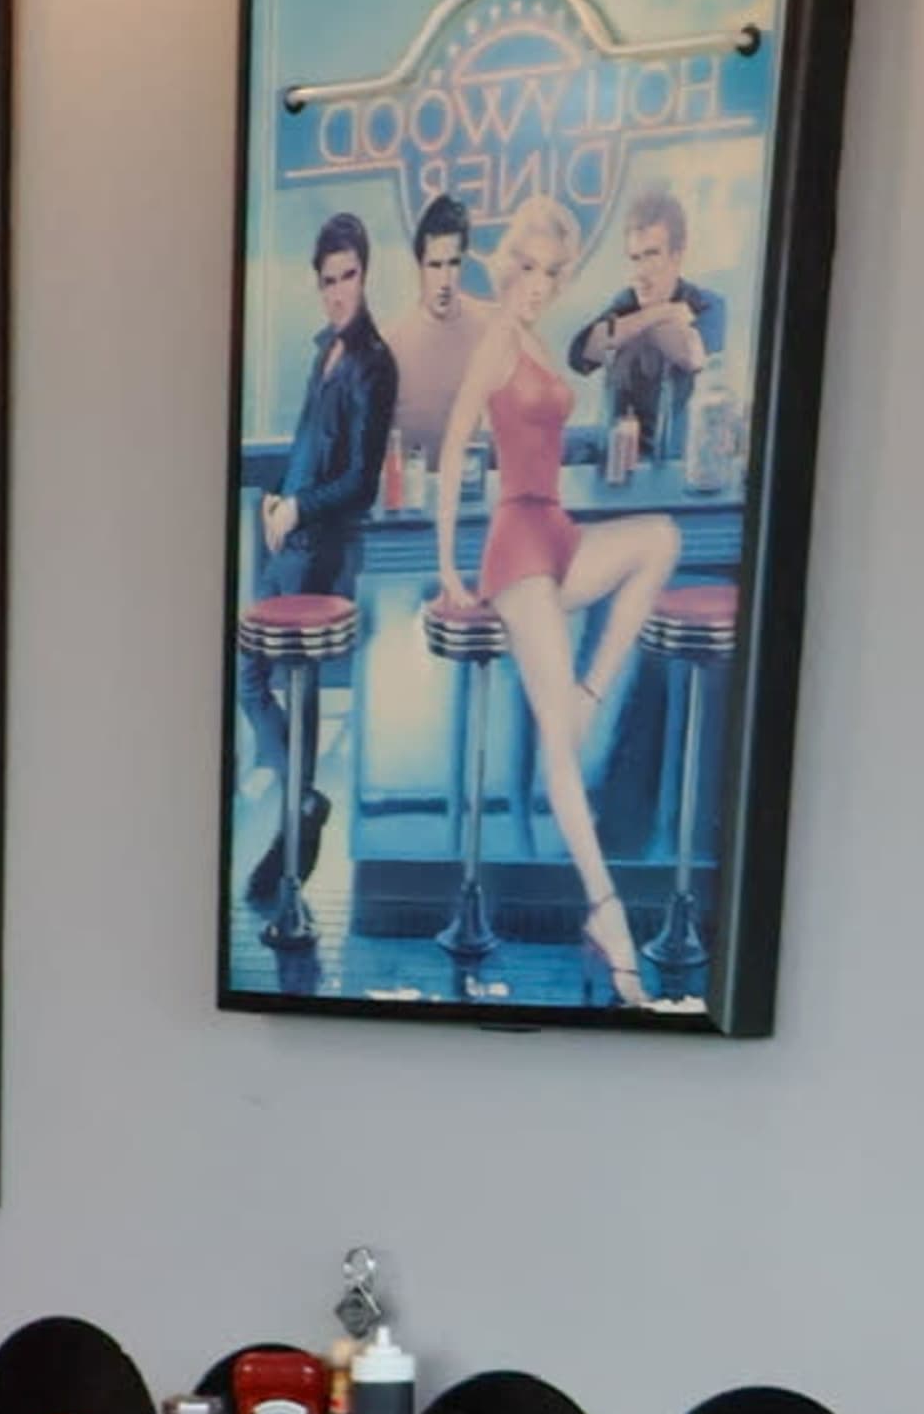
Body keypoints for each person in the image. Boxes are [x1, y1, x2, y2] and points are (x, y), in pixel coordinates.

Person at [426, 181, 682, 1006]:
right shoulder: (500, 339)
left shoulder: (536, 339)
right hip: (517, 548)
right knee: (562, 753)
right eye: (527, 268)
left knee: (661, 540)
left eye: (551, 273)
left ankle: (589, 692)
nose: (537, 284)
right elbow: (458, 440)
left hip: (559, 532)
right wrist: (450, 568)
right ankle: (608, 918)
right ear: (508, 269)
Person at [241, 204, 396, 915]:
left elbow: (361, 480)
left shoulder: (374, 364)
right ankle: (302, 803)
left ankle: (293, 828)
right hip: (285, 536)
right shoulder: (321, 350)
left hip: (318, 548)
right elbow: (306, 445)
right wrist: (276, 498)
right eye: (329, 279)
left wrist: (298, 508)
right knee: (250, 680)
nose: (339, 291)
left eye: (350, 276)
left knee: (289, 693)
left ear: (366, 276)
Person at [569, 176, 724, 465]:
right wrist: (661, 312)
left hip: (678, 463)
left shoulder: (707, 304)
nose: (641, 270)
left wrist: (637, 329)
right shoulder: (627, 303)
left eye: (651, 255)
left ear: (677, 255)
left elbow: (693, 356)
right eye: (635, 258)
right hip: (616, 458)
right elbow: (582, 355)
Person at [390, 190, 476, 494]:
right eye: (435, 265)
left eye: (453, 264)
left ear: (464, 262)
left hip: (473, 505)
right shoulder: (392, 345)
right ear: (420, 266)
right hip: (411, 511)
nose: (445, 280)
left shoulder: (489, 331)